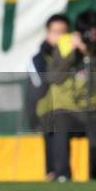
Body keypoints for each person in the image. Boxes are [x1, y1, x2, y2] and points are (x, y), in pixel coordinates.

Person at [37, 10, 96, 181]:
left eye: (95, 33)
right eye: (87, 34)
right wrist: (71, 53)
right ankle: (62, 175)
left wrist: (92, 56)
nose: (90, 38)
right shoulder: (64, 44)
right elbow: (54, 77)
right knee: (58, 131)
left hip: (94, 110)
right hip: (66, 108)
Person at [25, 14, 70, 181]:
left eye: (64, 32)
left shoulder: (79, 54)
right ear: (48, 34)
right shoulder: (38, 60)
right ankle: (54, 172)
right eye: (55, 32)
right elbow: (43, 85)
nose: (59, 36)